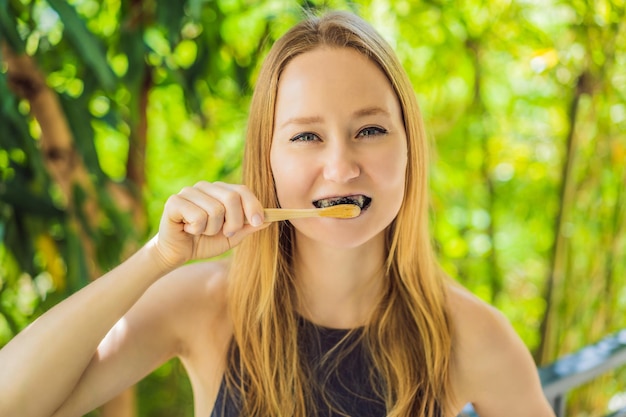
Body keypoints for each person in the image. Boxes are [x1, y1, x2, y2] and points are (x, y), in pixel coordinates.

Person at [0, 10, 555, 417]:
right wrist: (157, 258)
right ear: (266, 160)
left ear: (410, 148)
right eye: (306, 135)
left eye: (370, 130)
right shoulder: (203, 303)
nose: (340, 167)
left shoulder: (473, 336)